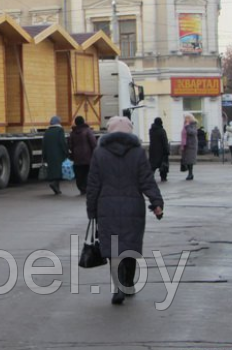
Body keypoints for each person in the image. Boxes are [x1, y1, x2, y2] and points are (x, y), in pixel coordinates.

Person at [87, 116, 164, 305]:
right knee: (130, 246)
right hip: (133, 207)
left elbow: (93, 184)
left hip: (107, 207)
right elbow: (147, 179)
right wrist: (156, 202)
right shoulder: (137, 152)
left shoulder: (100, 153)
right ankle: (128, 283)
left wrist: (91, 210)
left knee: (113, 249)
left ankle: (118, 286)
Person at [68, 116, 97, 195]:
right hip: (88, 157)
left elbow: (70, 145)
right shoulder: (88, 131)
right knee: (87, 173)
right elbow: (93, 143)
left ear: (76, 123)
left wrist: (73, 154)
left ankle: (82, 188)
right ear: (83, 122)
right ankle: (87, 188)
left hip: (77, 158)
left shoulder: (72, 133)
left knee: (79, 174)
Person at [42, 116, 68, 195]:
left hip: (49, 154)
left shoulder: (47, 132)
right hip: (58, 154)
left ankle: (57, 188)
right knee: (59, 170)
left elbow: (44, 144)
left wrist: (44, 155)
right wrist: (66, 152)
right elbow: (62, 142)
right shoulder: (60, 130)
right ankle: (54, 184)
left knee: (53, 169)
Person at [148, 118, 170, 182]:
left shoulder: (151, 130)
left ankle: (150, 177)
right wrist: (167, 151)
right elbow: (165, 141)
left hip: (153, 150)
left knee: (153, 165)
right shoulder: (162, 131)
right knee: (163, 164)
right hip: (161, 151)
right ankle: (163, 177)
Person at [180, 114, 198, 181]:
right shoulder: (185, 125)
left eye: (187, 118)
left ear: (190, 118)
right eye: (185, 118)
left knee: (190, 161)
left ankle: (190, 174)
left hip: (191, 145)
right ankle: (190, 174)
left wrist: (187, 126)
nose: (185, 119)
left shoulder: (192, 124)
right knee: (187, 160)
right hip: (185, 145)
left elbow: (193, 132)